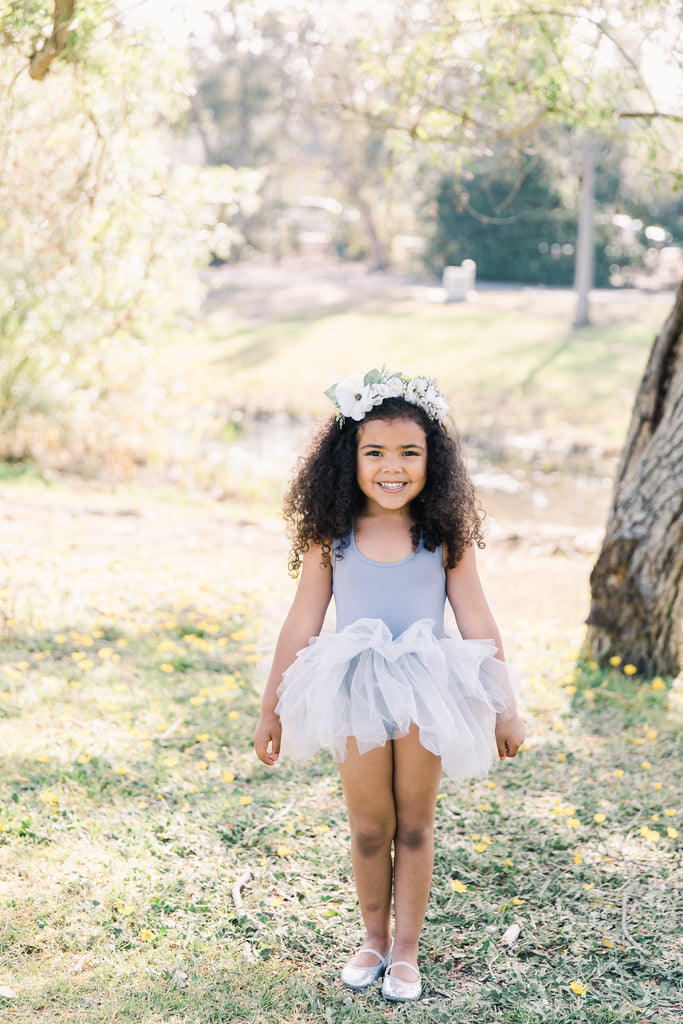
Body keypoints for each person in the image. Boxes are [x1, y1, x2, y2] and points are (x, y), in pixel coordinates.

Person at [254, 368, 525, 1003]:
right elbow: (302, 620)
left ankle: (406, 949)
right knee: (370, 825)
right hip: (353, 686)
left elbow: (477, 618)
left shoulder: (443, 535)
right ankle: (372, 937)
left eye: (410, 452)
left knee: (415, 823)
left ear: (435, 460)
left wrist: (506, 708)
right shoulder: (333, 535)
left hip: (427, 685)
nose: (391, 466)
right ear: (348, 459)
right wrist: (272, 709)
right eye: (374, 452)